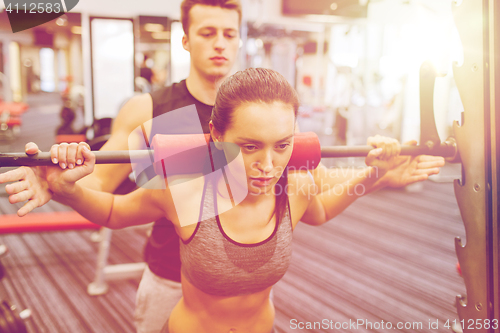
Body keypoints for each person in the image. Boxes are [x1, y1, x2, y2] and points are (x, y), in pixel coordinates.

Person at [1, 1, 444, 332]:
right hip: (173, 274)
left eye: (229, 34)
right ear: (186, 38)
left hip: (249, 281)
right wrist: (62, 186)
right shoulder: (153, 110)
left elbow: (314, 187)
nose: (219, 44)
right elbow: (108, 187)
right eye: (208, 32)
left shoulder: (259, 105)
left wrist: (377, 176)